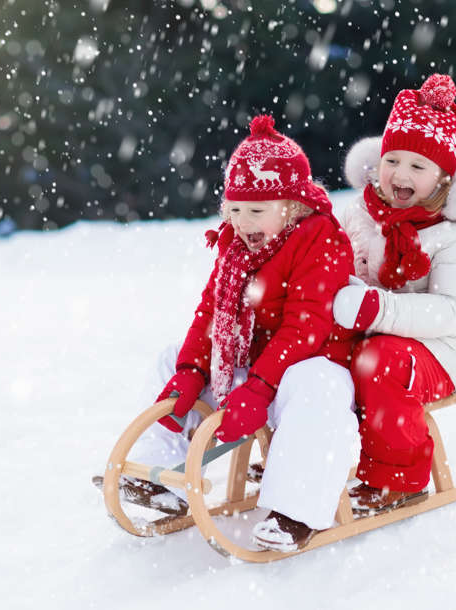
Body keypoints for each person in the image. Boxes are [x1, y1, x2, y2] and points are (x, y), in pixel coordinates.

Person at [124, 115, 359, 551]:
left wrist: (261, 386)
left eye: (256, 210)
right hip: (253, 373)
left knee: (317, 386)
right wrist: (192, 369)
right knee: (169, 358)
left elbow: (307, 326)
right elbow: (212, 310)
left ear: (292, 205)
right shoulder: (236, 244)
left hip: (305, 367)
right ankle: (158, 479)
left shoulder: (319, 238)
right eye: (234, 208)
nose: (242, 221)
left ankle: (295, 511)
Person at [332, 74, 456, 512]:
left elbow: (453, 313)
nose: (399, 175)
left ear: (444, 178)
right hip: (368, 334)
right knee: (310, 352)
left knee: (381, 362)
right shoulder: (361, 214)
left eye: (417, 166)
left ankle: (398, 479)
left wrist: (376, 307)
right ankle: (307, 450)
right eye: (393, 159)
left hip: (437, 352)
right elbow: (340, 267)